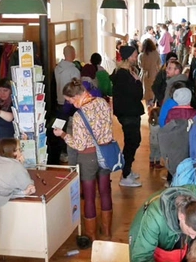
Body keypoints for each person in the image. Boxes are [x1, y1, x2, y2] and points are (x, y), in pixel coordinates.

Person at [53, 78, 114, 241]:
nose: (71, 104)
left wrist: (64, 135)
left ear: (75, 97)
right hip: (106, 153)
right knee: (105, 192)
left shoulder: (79, 115)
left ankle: (91, 235)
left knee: (89, 196)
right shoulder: (102, 102)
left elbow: (79, 145)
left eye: (70, 100)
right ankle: (107, 232)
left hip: (88, 156)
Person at [111, 45, 144, 188]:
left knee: (133, 141)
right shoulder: (124, 75)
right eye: (135, 55)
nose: (136, 57)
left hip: (128, 112)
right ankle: (125, 175)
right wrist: (138, 82)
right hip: (128, 113)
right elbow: (137, 94)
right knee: (132, 142)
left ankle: (127, 170)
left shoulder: (123, 72)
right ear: (129, 56)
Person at [53, 45, 80, 164]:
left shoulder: (57, 68)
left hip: (58, 101)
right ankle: (69, 153)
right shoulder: (74, 70)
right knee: (70, 129)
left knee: (59, 128)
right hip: (69, 103)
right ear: (73, 54)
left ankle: (60, 153)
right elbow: (77, 89)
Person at [0, 78, 15, 145]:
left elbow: (11, 117)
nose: (2, 93)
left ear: (11, 91)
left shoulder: (13, 102)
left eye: (5, 90)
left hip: (9, 139)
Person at [137, 38, 161, 106]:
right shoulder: (156, 53)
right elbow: (159, 63)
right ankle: (153, 104)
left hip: (145, 74)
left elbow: (140, 65)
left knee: (146, 91)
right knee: (153, 90)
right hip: (154, 73)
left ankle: (148, 107)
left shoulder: (141, 55)